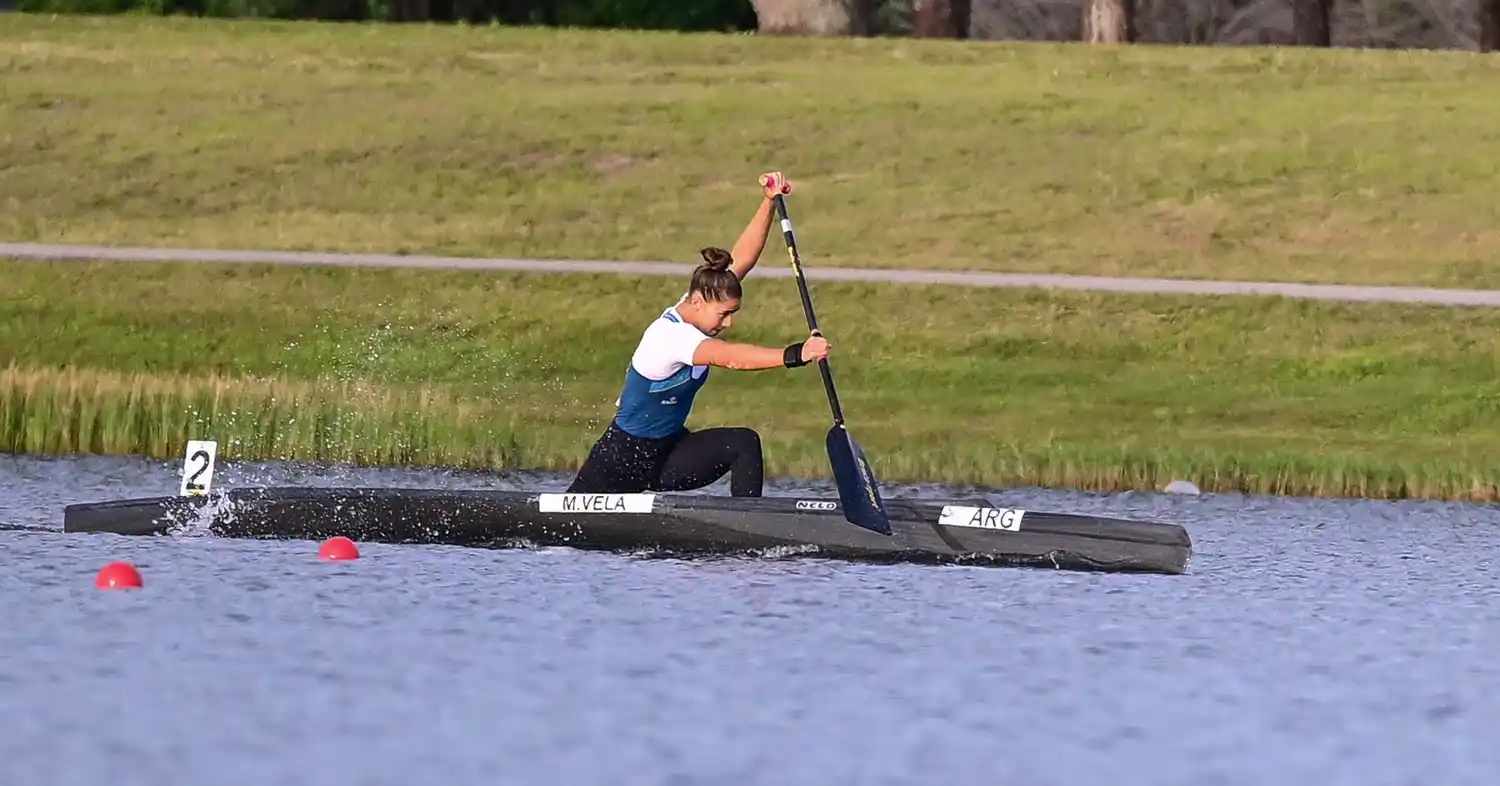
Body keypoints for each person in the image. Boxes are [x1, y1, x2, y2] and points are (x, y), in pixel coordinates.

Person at [565, 172, 830, 498]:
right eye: (724, 314)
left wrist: (768, 202)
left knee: (743, 443)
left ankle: (745, 524)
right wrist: (797, 354)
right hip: (621, 460)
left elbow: (743, 258)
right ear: (697, 302)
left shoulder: (704, 298)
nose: (728, 323)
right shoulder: (670, 336)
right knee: (555, 524)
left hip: (667, 456)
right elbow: (731, 358)